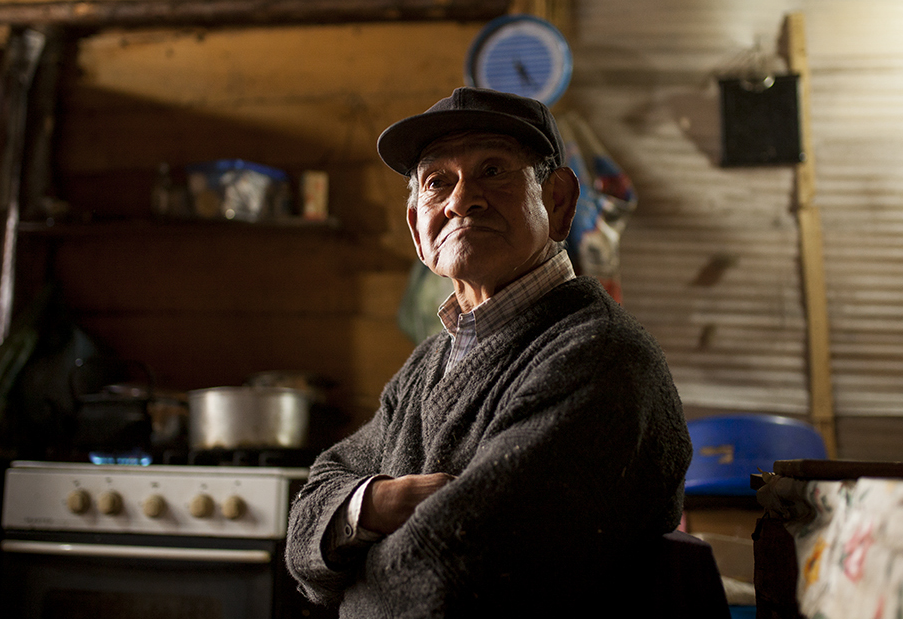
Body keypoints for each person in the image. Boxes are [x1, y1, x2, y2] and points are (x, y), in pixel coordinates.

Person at [284, 87, 692, 617]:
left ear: (559, 201)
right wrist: (376, 504)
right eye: (437, 183)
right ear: (417, 227)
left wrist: (347, 569)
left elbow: (454, 574)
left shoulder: (601, 357)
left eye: (493, 170)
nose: (460, 200)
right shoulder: (426, 365)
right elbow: (303, 525)